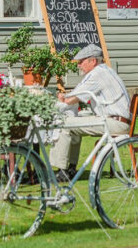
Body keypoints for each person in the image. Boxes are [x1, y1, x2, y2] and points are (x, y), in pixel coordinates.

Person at [51, 45, 131, 181]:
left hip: (114, 123)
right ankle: (70, 168)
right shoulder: (106, 70)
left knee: (63, 123)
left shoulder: (97, 74)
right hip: (119, 120)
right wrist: (68, 98)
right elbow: (79, 95)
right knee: (74, 121)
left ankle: (62, 171)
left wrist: (63, 98)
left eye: (81, 62)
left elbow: (71, 98)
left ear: (92, 61)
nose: (79, 66)